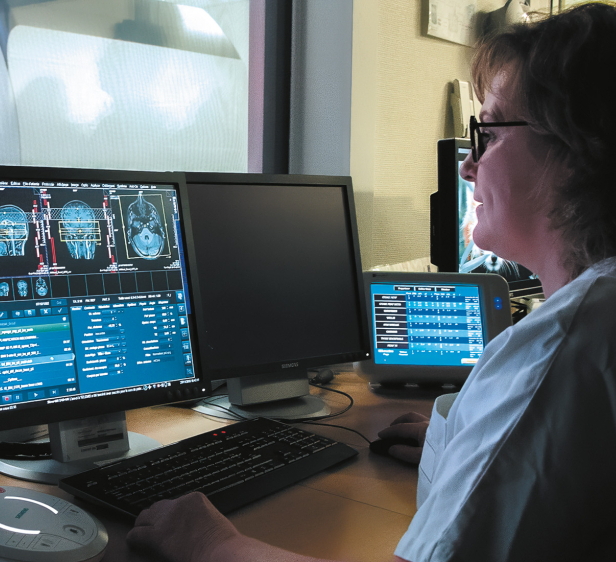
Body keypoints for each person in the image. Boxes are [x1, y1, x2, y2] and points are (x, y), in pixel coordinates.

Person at [126, 4, 616, 561]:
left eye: (490, 132)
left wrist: (212, 544)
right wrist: (462, 448)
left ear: (577, 149)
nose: (467, 166)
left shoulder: (562, 348)